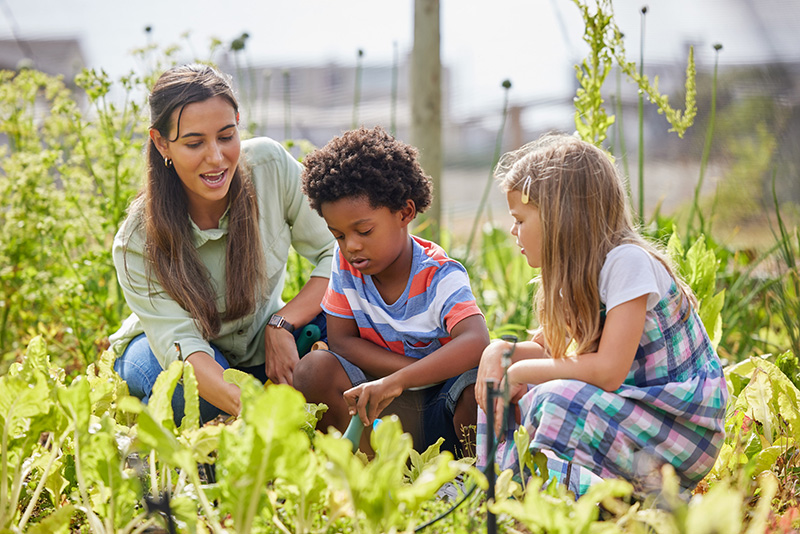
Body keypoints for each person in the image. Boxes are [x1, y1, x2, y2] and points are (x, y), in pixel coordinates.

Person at [475, 133, 728, 497]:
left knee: (554, 397)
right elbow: (552, 356)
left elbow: (608, 371)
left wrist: (519, 369)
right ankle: (495, 485)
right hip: (632, 417)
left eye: (520, 219)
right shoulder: (574, 277)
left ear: (560, 217)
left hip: (679, 431)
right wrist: (500, 353)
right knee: (496, 376)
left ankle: (559, 495)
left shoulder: (627, 262)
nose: (513, 231)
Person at [109, 64, 335, 425]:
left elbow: (337, 252)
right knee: (187, 392)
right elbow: (188, 353)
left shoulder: (270, 166)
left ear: (238, 124)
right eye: (194, 143)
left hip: (262, 337)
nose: (216, 157)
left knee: (346, 334)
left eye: (226, 136)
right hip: (169, 351)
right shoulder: (136, 240)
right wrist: (264, 415)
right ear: (161, 142)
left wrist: (282, 324)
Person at [293, 126, 490, 455]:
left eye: (364, 230)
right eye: (339, 235)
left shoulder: (439, 274)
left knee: (478, 388)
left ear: (405, 213)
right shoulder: (346, 266)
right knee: (313, 369)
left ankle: (465, 476)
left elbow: (476, 341)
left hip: (443, 404)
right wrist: (399, 379)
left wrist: (402, 379)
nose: (351, 246)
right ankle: (368, 472)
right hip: (381, 407)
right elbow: (341, 340)